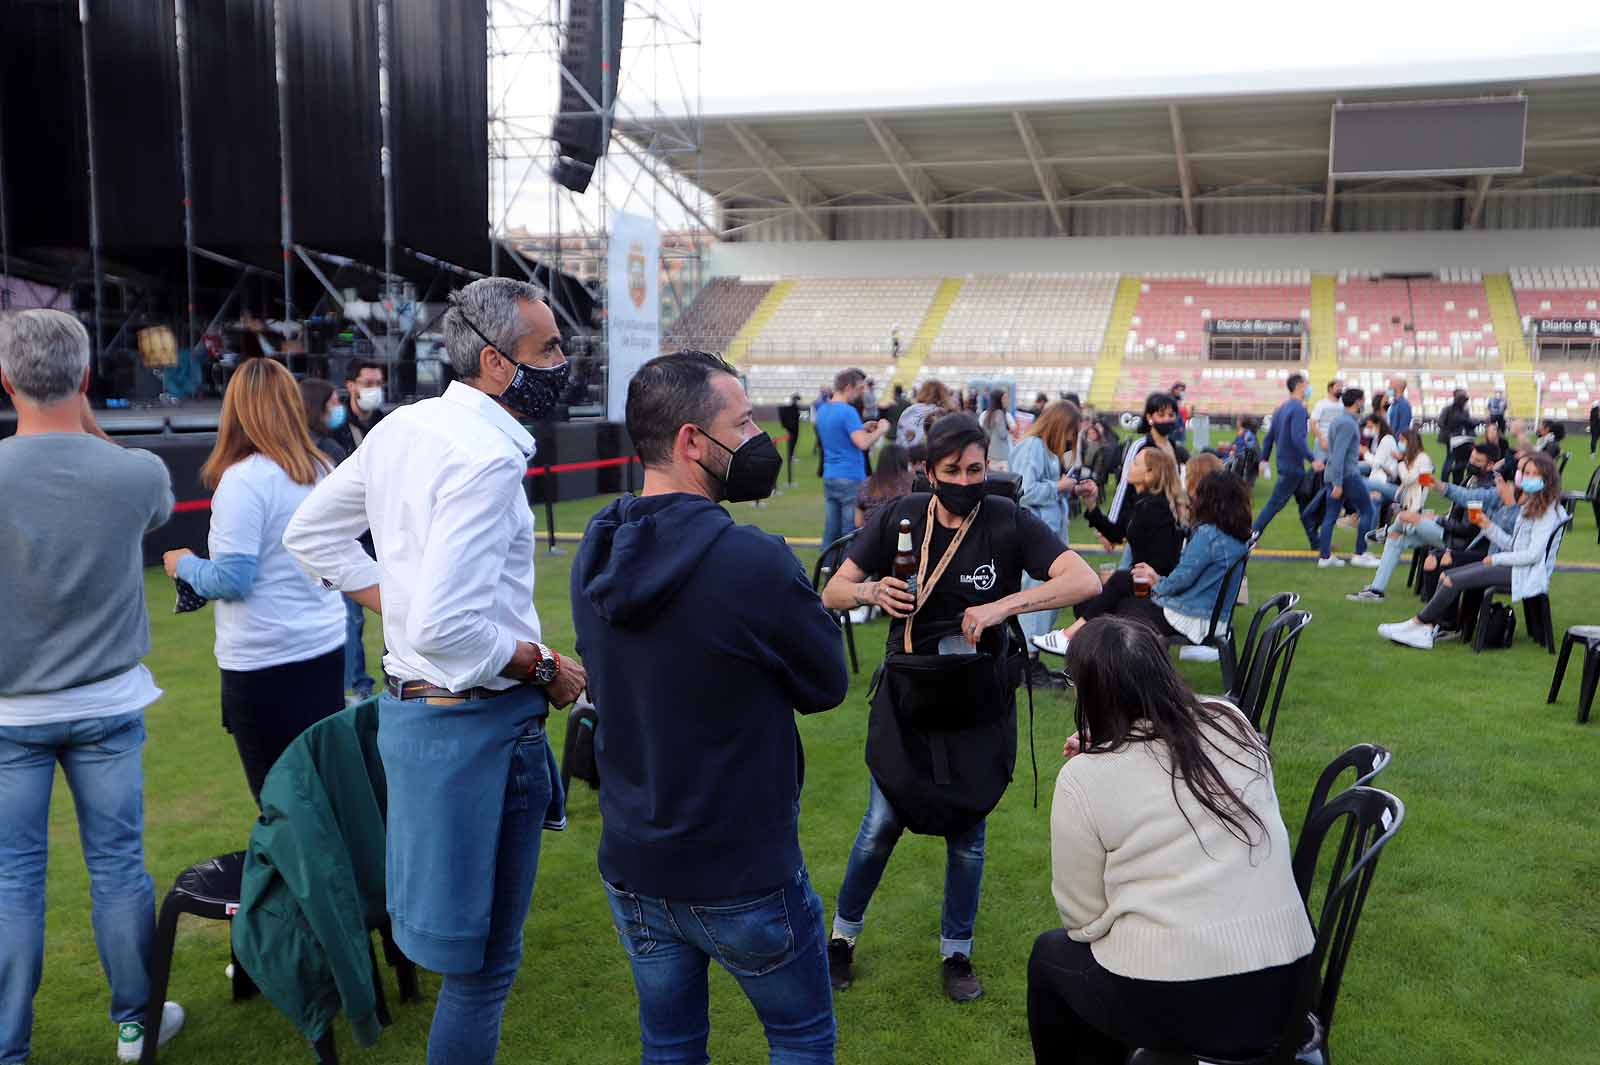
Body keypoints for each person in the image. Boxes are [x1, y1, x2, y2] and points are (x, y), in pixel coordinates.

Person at [283, 277, 587, 1064]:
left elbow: (314, 537)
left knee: (468, 961)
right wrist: (542, 661)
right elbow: (443, 621)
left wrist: (406, 607)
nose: (563, 359)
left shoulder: (407, 427)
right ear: (494, 362)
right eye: (548, 347)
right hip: (478, 727)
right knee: (483, 969)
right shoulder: (482, 455)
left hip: (422, 719)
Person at [571, 350, 847, 1065]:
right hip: (741, 870)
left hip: (636, 857)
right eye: (744, 421)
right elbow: (826, 683)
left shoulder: (594, 548)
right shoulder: (752, 560)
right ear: (693, 441)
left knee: (669, 1043)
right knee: (800, 1037)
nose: (760, 438)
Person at [821, 414, 1099, 1002]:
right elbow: (832, 589)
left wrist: (1004, 607)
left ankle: (957, 953)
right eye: (953, 471)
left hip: (977, 699)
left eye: (976, 468)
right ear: (928, 472)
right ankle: (841, 940)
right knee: (878, 828)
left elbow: (1084, 580)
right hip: (910, 697)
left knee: (968, 838)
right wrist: (873, 591)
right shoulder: (899, 516)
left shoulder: (1005, 519)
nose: (967, 480)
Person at [0, 309, 185, 1063]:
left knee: (14, 881)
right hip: (104, 705)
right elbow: (150, 503)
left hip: (14, 711)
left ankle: (10, 1044)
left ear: (7, 380)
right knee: (118, 869)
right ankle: (133, 1026)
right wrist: (81, 420)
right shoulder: (135, 471)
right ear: (84, 379)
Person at [1028, 617, 1314, 1065]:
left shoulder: (1083, 778)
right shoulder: (1232, 721)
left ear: (1090, 694)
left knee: (1051, 959)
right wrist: (1110, 745)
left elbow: (1081, 919)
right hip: (1288, 984)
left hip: (1182, 1000)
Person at [161, 359, 346, 803]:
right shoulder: (320, 469)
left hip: (267, 662)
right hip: (321, 646)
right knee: (317, 796)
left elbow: (232, 579)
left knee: (282, 808)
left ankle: (298, 875)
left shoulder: (245, 481)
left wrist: (182, 564)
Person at [1039, 470, 1248, 656]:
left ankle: (1073, 641)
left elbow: (1181, 581)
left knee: (1115, 604)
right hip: (1212, 619)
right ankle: (1078, 647)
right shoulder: (1237, 538)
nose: (1194, 498)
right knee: (1115, 595)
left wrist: (1156, 582)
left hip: (1191, 620)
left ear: (1210, 500)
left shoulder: (1208, 535)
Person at [1379, 452, 1565, 650]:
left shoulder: (1547, 512)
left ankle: (1418, 624)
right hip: (1515, 566)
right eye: (1525, 473)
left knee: (1452, 579)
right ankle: (1425, 628)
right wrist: (1487, 526)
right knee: (1447, 576)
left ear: (1546, 479)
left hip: (1524, 572)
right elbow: (1514, 545)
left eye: (1532, 474)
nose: (1526, 478)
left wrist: (1495, 559)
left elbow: (1532, 555)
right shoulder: (1533, 506)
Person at [1033, 448, 1187, 657]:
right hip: (1139, 583)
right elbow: (1116, 534)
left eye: (1135, 464)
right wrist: (1092, 507)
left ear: (1150, 474)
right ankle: (1090, 663)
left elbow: (1166, 561)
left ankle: (1069, 637)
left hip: (1153, 588)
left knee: (1117, 581)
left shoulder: (1157, 509)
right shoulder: (1141, 502)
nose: (1128, 467)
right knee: (1088, 596)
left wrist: (1143, 575)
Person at [1347, 443, 1497, 603]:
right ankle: (1376, 590)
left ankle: (1385, 532)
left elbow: (1468, 529)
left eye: (1478, 461)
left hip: (1457, 541)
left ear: (1490, 465)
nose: (1472, 463)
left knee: (1405, 517)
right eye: (1472, 458)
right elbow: (1458, 515)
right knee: (1396, 537)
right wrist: (1439, 517)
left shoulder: (1484, 489)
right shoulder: (1472, 479)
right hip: (1448, 532)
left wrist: (1438, 520)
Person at [1011, 401, 1084, 686]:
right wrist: (1059, 486)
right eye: (1069, 432)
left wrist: (1071, 489)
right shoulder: (1033, 447)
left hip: (1048, 534)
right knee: (1037, 595)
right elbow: (1025, 490)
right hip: (1035, 536)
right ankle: (1026, 662)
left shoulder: (1043, 449)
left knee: (1047, 597)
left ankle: (1032, 659)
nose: (1069, 440)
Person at [817, 368, 888, 550]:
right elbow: (863, 444)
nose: (861, 393)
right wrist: (881, 429)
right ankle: (846, 573)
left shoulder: (823, 409)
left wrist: (860, 427)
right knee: (850, 530)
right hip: (850, 475)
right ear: (848, 387)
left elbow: (839, 435)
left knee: (831, 530)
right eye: (859, 388)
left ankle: (826, 568)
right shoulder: (848, 412)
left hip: (830, 474)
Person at [1106, 392, 1189, 534]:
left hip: (1169, 523)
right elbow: (1124, 485)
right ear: (1150, 417)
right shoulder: (1141, 446)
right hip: (1142, 523)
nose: (1167, 420)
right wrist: (1110, 526)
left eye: (1171, 415)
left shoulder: (1176, 448)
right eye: (1161, 415)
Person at [1316, 388, 1380, 569]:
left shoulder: (1340, 420)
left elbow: (1333, 451)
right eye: (1363, 400)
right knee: (1368, 510)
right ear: (1358, 401)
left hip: (1338, 474)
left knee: (1331, 516)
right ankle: (1360, 553)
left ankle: (1325, 557)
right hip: (1346, 475)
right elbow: (1339, 455)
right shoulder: (1347, 423)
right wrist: (1338, 483)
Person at [1253, 373, 1316, 543]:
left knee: (1305, 505)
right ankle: (1249, 537)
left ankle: (1316, 542)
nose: (1309, 387)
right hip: (1293, 468)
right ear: (1299, 386)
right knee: (1274, 505)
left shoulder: (1281, 409)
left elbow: (1269, 437)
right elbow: (1298, 438)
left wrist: (1264, 459)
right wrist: (1313, 459)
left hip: (1286, 465)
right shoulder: (1299, 409)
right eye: (1307, 384)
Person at [330, 359, 387, 452]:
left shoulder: (386, 424)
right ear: (350, 386)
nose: (375, 388)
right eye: (368, 383)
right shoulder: (337, 426)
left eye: (379, 383)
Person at [856, 444, 915, 528]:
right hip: (903, 535)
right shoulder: (912, 482)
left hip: (871, 537)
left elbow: (858, 522)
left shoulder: (867, 484)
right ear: (904, 461)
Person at [299, 378, 350, 465]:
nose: (339, 407)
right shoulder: (331, 449)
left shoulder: (288, 442)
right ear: (318, 408)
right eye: (334, 403)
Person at [897, 379, 954, 449]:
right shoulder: (943, 413)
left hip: (906, 453)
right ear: (943, 395)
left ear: (922, 392)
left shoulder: (909, 410)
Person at [1437, 389, 1477, 483]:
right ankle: (1445, 480)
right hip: (1450, 439)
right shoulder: (1448, 409)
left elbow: (1468, 423)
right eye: (1464, 400)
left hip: (1460, 440)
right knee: (1450, 459)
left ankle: (1453, 480)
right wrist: (1449, 433)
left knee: (1455, 460)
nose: (1465, 402)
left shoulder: (1463, 410)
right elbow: (1440, 422)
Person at [981, 388, 1016, 471]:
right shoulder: (999, 414)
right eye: (1004, 398)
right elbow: (1002, 434)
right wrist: (1010, 430)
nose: (1007, 401)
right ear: (998, 400)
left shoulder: (987, 414)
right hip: (1001, 455)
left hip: (990, 453)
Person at [1310, 378, 1344, 459]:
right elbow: (1313, 423)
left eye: (1341, 387)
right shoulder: (1321, 404)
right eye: (1338, 386)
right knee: (1320, 469)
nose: (1340, 389)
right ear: (1330, 388)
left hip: (1338, 444)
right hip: (1322, 444)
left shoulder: (1343, 405)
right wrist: (1321, 441)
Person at [778, 392, 803, 486]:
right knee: (792, 443)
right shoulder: (791, 407)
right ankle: (790, 457)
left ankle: (791, 456)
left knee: (793, 442)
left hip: (794, 428)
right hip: (793, 428)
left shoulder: (793, 407)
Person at [1169, 381, 1189, 445]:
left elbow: (1179, 413)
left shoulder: (1179, 398)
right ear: (1174, 389)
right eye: (1179, 390)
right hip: (1173, 425)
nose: (1180, 392)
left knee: (1181, 442)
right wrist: (1178, 426)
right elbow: (1172, 414)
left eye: (1182, 390)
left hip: (1179, 422)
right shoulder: (1170, 398)